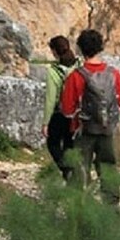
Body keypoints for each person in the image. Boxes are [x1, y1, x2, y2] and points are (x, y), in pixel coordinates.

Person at [60, 29, 120, 202]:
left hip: (84, 131)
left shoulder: (76, 76)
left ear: (81, 49)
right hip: (107, 130)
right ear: (100, 48)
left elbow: (67, 109)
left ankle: (78, 206)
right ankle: (111, 207)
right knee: (108, 167)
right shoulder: (114, 74)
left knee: (79, 168)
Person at [42, 35, 80, 180]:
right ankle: (73, 176)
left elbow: (51, 99)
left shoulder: (54, 71)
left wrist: (45, 122)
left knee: (53, 143)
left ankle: (66, 170)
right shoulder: (78, 65)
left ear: (54, 51)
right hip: (77, 112)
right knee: (69, 144)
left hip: (60, 113)